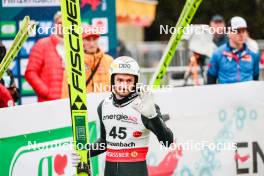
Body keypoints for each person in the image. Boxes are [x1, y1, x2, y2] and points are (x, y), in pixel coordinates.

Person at [71, 56, 174, 176]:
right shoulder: (104, 106)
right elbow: (105, 142)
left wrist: (153, 116)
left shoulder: (145, 105)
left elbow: (167, 142)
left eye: (129, 80)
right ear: (112, 80)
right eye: (120, 80)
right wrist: (85, 152)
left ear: (135, 81)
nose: (124, 85)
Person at [61, 25, 113, 97]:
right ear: (82, 41)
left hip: (104, 105)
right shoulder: (74, 63)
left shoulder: (109, 60)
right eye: (88, 39)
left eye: (94, 39)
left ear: (98, 40)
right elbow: (66, 91)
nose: (91, 44)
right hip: (84, 106)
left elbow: (115, 87)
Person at [25, 11, 65, 102]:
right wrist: (47, 93)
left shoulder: (77, 47)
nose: (63, 26)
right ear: (54, 25)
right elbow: (30, 73)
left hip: (72, 102)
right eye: (60, 23)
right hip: (48, 103)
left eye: (67, 23)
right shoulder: (42, 44)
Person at [207, 16, 260, 84]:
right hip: (225, 94)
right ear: (229, 33)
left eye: (243, 31)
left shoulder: (253, 55)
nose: (241, 34)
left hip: (247, 94)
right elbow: (211, 80)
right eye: (237, 31)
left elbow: (256, 79)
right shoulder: (217, 54)